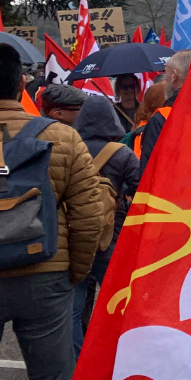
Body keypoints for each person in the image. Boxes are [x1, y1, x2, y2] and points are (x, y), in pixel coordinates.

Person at [0, 44, 106, 380]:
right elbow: (89, 215)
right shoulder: (60, 136)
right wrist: (73, 273)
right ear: (21, 83)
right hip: (46, 276)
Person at [69, 95, 140, 355]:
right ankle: (114, 360)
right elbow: (141, 190)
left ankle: (77, 362)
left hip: (74, 237)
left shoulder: (70, 148)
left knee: (72, 310)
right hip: (112, 237)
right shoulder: (122, 154)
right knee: (118, 304)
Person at [139, 48, 191, 173]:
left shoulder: (162, 119)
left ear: (174, 76)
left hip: (177, 191)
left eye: (166, 75)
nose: (165, 81)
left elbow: (149, 173)